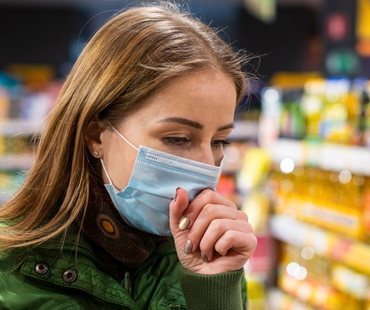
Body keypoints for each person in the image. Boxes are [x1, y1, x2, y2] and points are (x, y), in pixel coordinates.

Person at [0, 3, 257, 309]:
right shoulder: (11, 270)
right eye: (177, 138)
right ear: (96, 135)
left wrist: (214, 291)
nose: (205, 165)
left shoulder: (211, 259)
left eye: (219, 141)